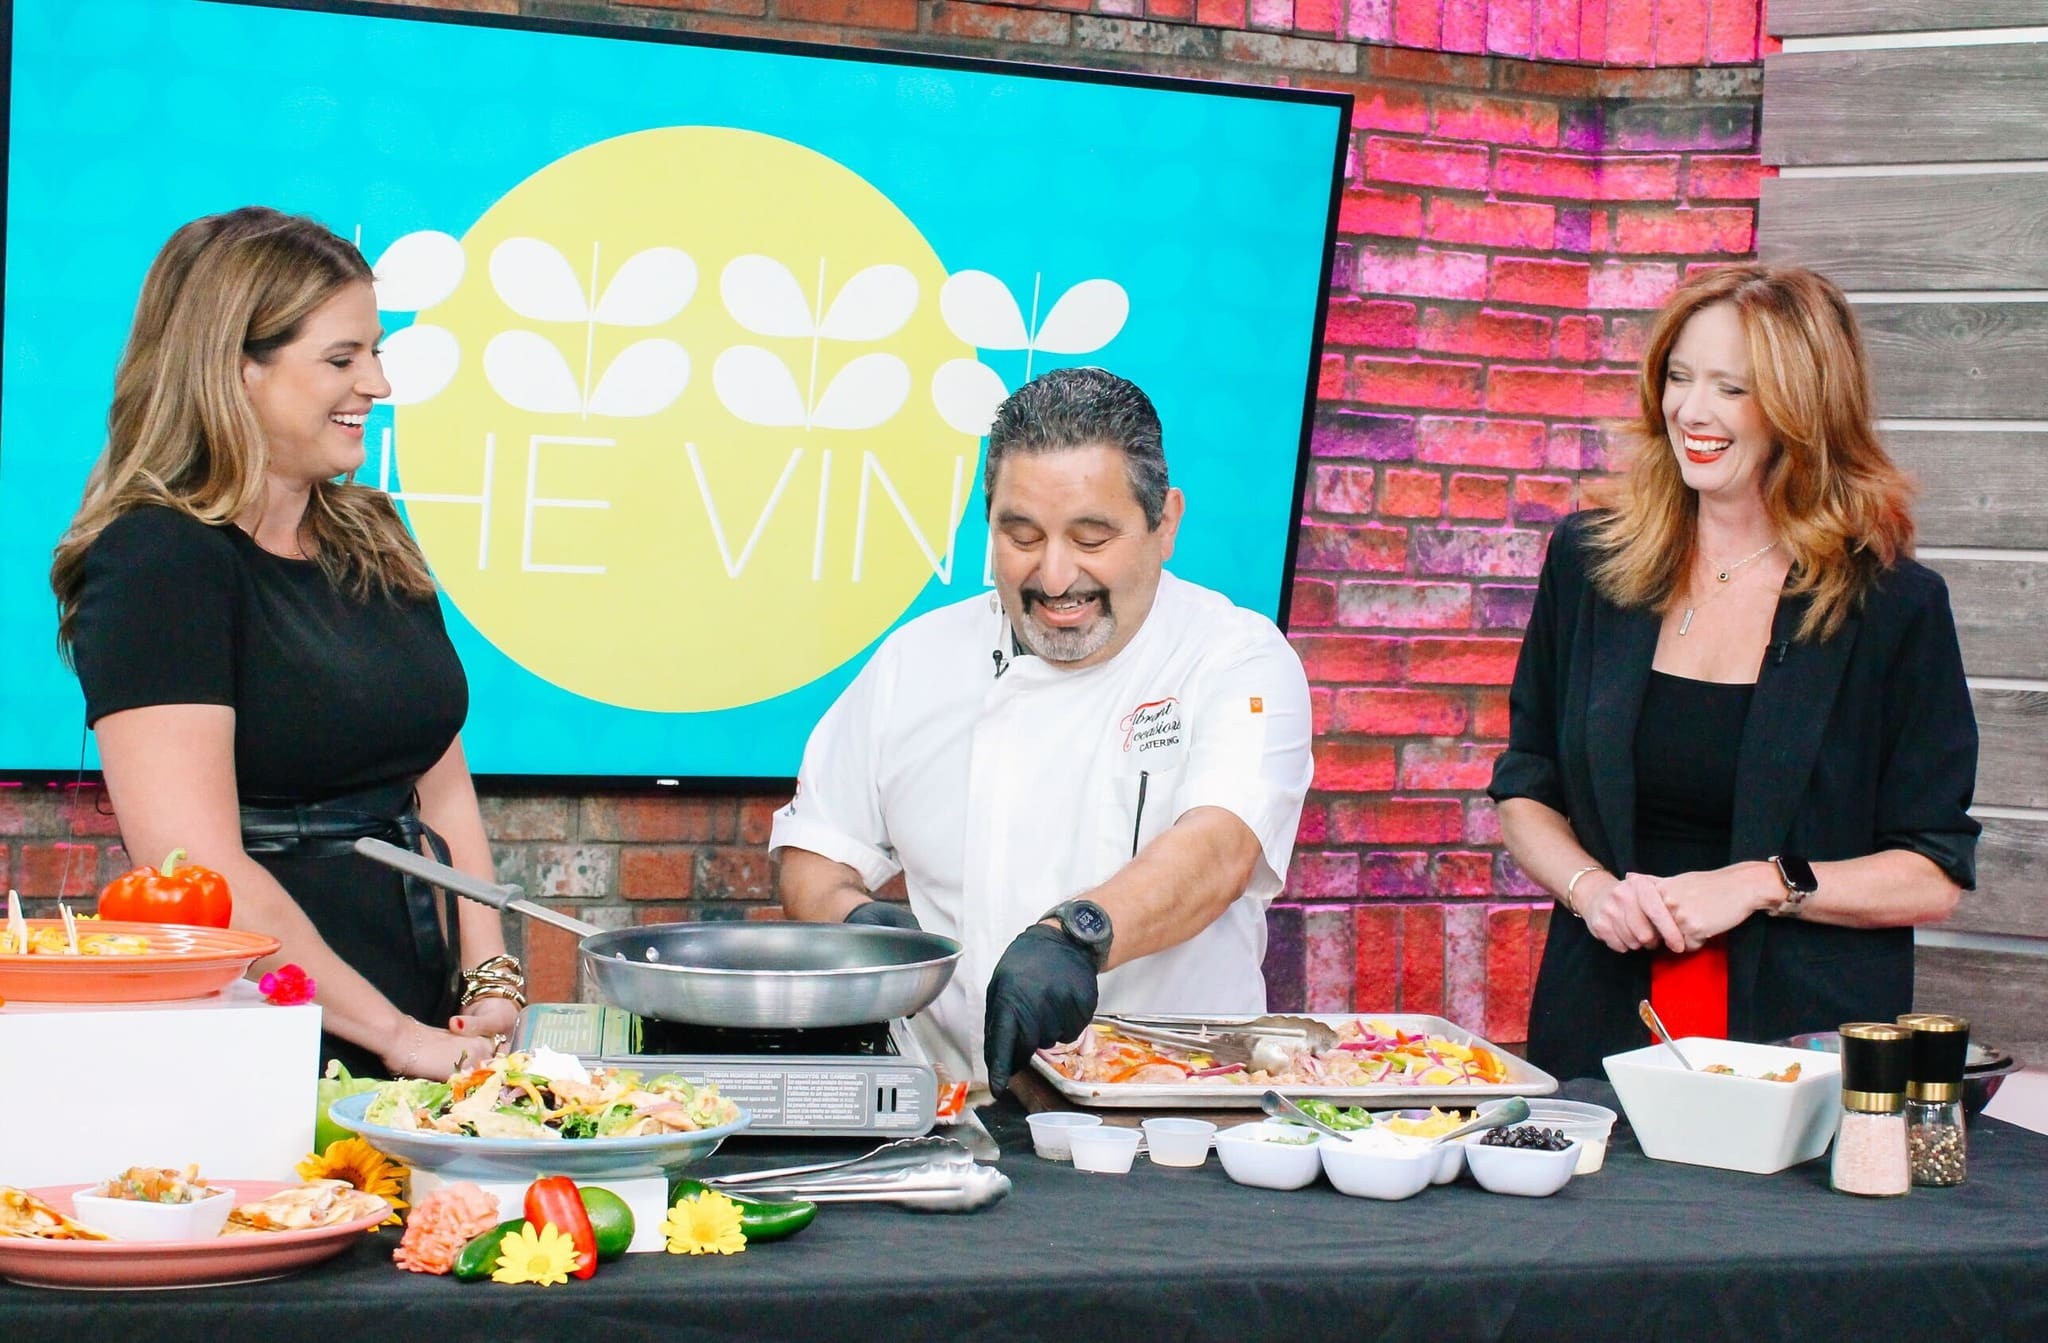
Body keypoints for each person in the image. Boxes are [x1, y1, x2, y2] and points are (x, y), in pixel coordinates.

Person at [50, 207, 521, 1081]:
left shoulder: (372, 533)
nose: (378, 383)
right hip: (262, 1037)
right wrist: (397, 1036)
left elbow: (440, 786)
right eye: (342, 359)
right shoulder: (157, 559)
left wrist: (490, 979)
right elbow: (201, 867)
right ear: (237, 370)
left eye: (375, 352)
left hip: (425, 1026)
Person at [1490, 264, 1979, 1082]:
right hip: (1596, 1028)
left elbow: (1933, 874)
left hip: (1800, 1053)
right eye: (1679, 377)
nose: (1691, 410)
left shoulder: (1894, 606)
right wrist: (1591, 889)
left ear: (1801, 407)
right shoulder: (1586, 562)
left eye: (1731, 388)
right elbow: (1525, 785)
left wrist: (1761, 883)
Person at [772, 366, 1313, 1091]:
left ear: (1165, 523)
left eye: (1091, 538)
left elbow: (1219, 851)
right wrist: (861, 925)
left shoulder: (1234, 657)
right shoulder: (916, 661)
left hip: (1176, 1116)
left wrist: (1076, 939)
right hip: (961, 1112)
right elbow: (815, 855)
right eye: (1022, 536)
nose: (1055, 577)